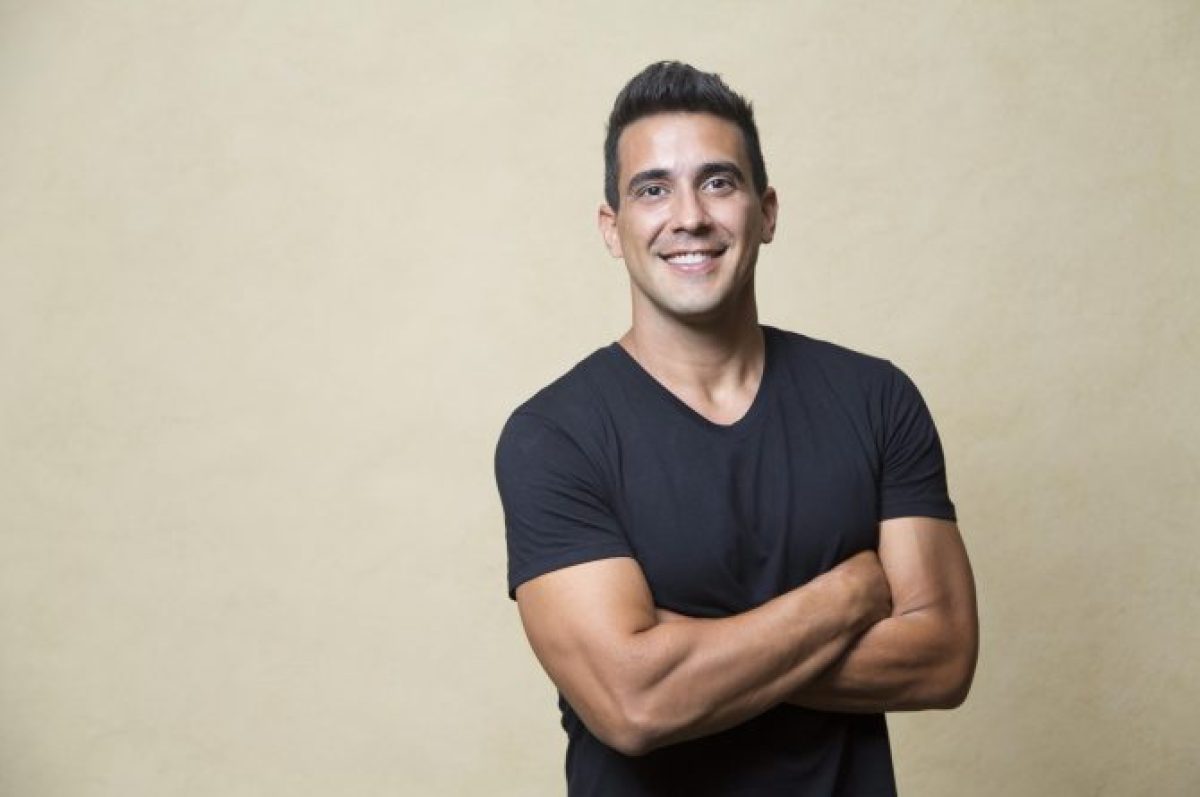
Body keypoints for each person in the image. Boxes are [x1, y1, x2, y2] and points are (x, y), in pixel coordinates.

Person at [494, 61, 978, 796]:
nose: (689, 216)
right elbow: (633, 702)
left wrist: (689, 654)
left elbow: (943, 659)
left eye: (718, 182)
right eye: (652, 189)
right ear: (612, 228)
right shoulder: (554, 436)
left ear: (767, 212)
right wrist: (850, 595)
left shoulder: (876, 399)